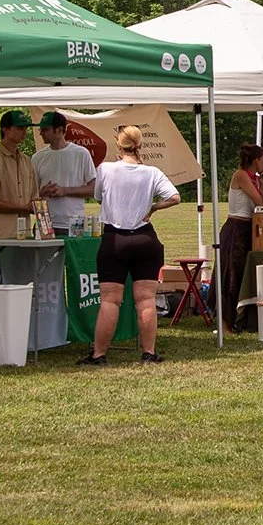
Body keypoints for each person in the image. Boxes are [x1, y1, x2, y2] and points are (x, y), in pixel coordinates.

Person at [79, 126, 181, 366]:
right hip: (145, 238)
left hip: (115, 239)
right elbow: (175, 197)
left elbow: (98, 196)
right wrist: (154, 207)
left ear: (118, 145)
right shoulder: (152, 172)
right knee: (145, 299)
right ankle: (148, 352)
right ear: (140, 145)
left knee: (110, 300)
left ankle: (100, 354)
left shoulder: (105, 169)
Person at [219, 142, 263, 333]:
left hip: (249, 228)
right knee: (232, 274)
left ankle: (241, 319)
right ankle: (225, 322)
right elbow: (260, 201)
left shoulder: (255, 178)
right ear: (256, 160)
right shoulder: (241, 176)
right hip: (236, 228)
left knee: (243, 273)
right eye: (262, 159)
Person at [0, 110, 41, 240]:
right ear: (5, 130)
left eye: (26, 128)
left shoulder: (27, 161)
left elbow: (34, 197)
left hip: (23, 235)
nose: (24, 131)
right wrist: (23, 207)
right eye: (19, 127)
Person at [31, 111, 97, 231]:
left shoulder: (81, 153)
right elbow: (29, 193)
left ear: (59, 130)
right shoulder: (37, 157)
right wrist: (41, 192)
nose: (41, 133)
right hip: (45, 223)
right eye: (40, 129)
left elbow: (93, 189)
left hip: (75, 223)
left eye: (45, 129)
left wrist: (64, 191)